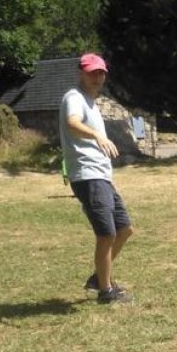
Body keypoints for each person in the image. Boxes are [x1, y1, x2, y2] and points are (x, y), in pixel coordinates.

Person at [60, 53, 134, 304]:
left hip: (100, 176)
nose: (97, 77)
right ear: (81, 72)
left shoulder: (91, 103)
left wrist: (108, 177)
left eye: (101, 72)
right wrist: (97, 136)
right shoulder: (74, 97)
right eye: (92, 72)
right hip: (87, 175)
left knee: (124, 229)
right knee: (106, 234)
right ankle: (106, 291)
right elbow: (72, 123)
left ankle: (98, 277)